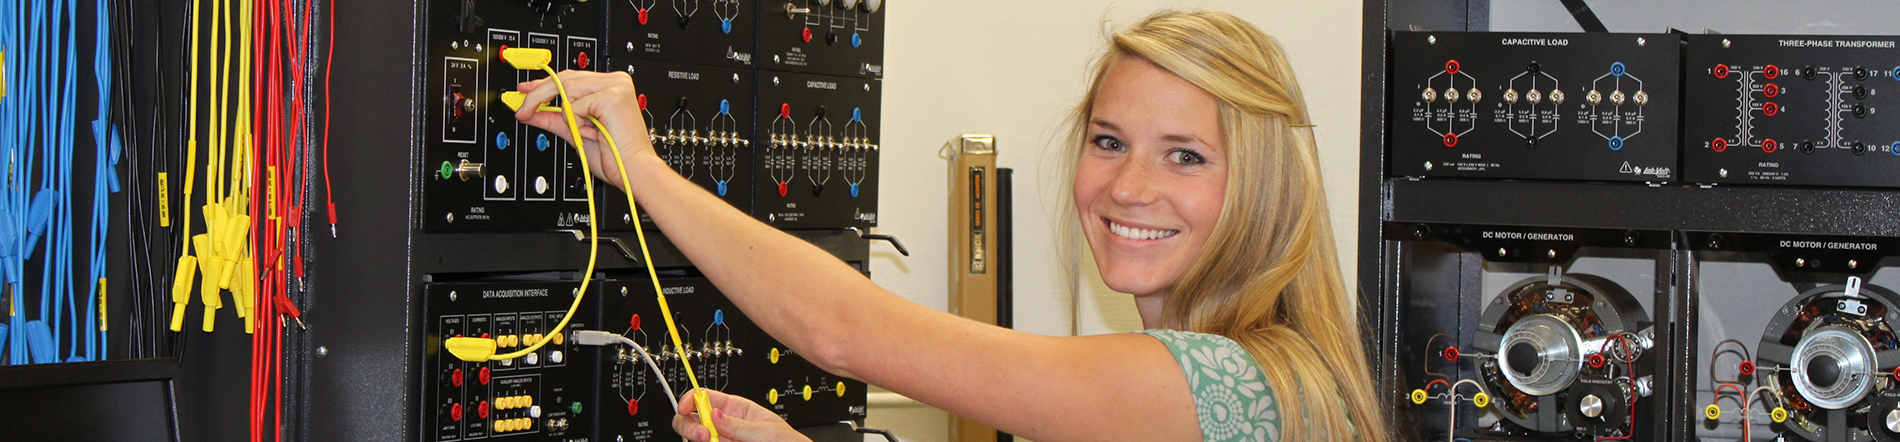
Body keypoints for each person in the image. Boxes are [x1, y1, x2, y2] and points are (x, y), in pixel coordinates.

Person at [511, 9, 1387, 442]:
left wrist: (640, 168)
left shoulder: (1214, 381)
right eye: (1110, 142)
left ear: (1264, 182)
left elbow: (845, 332)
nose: (1130, 186)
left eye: (1186, 155)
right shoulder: (1280, 374)